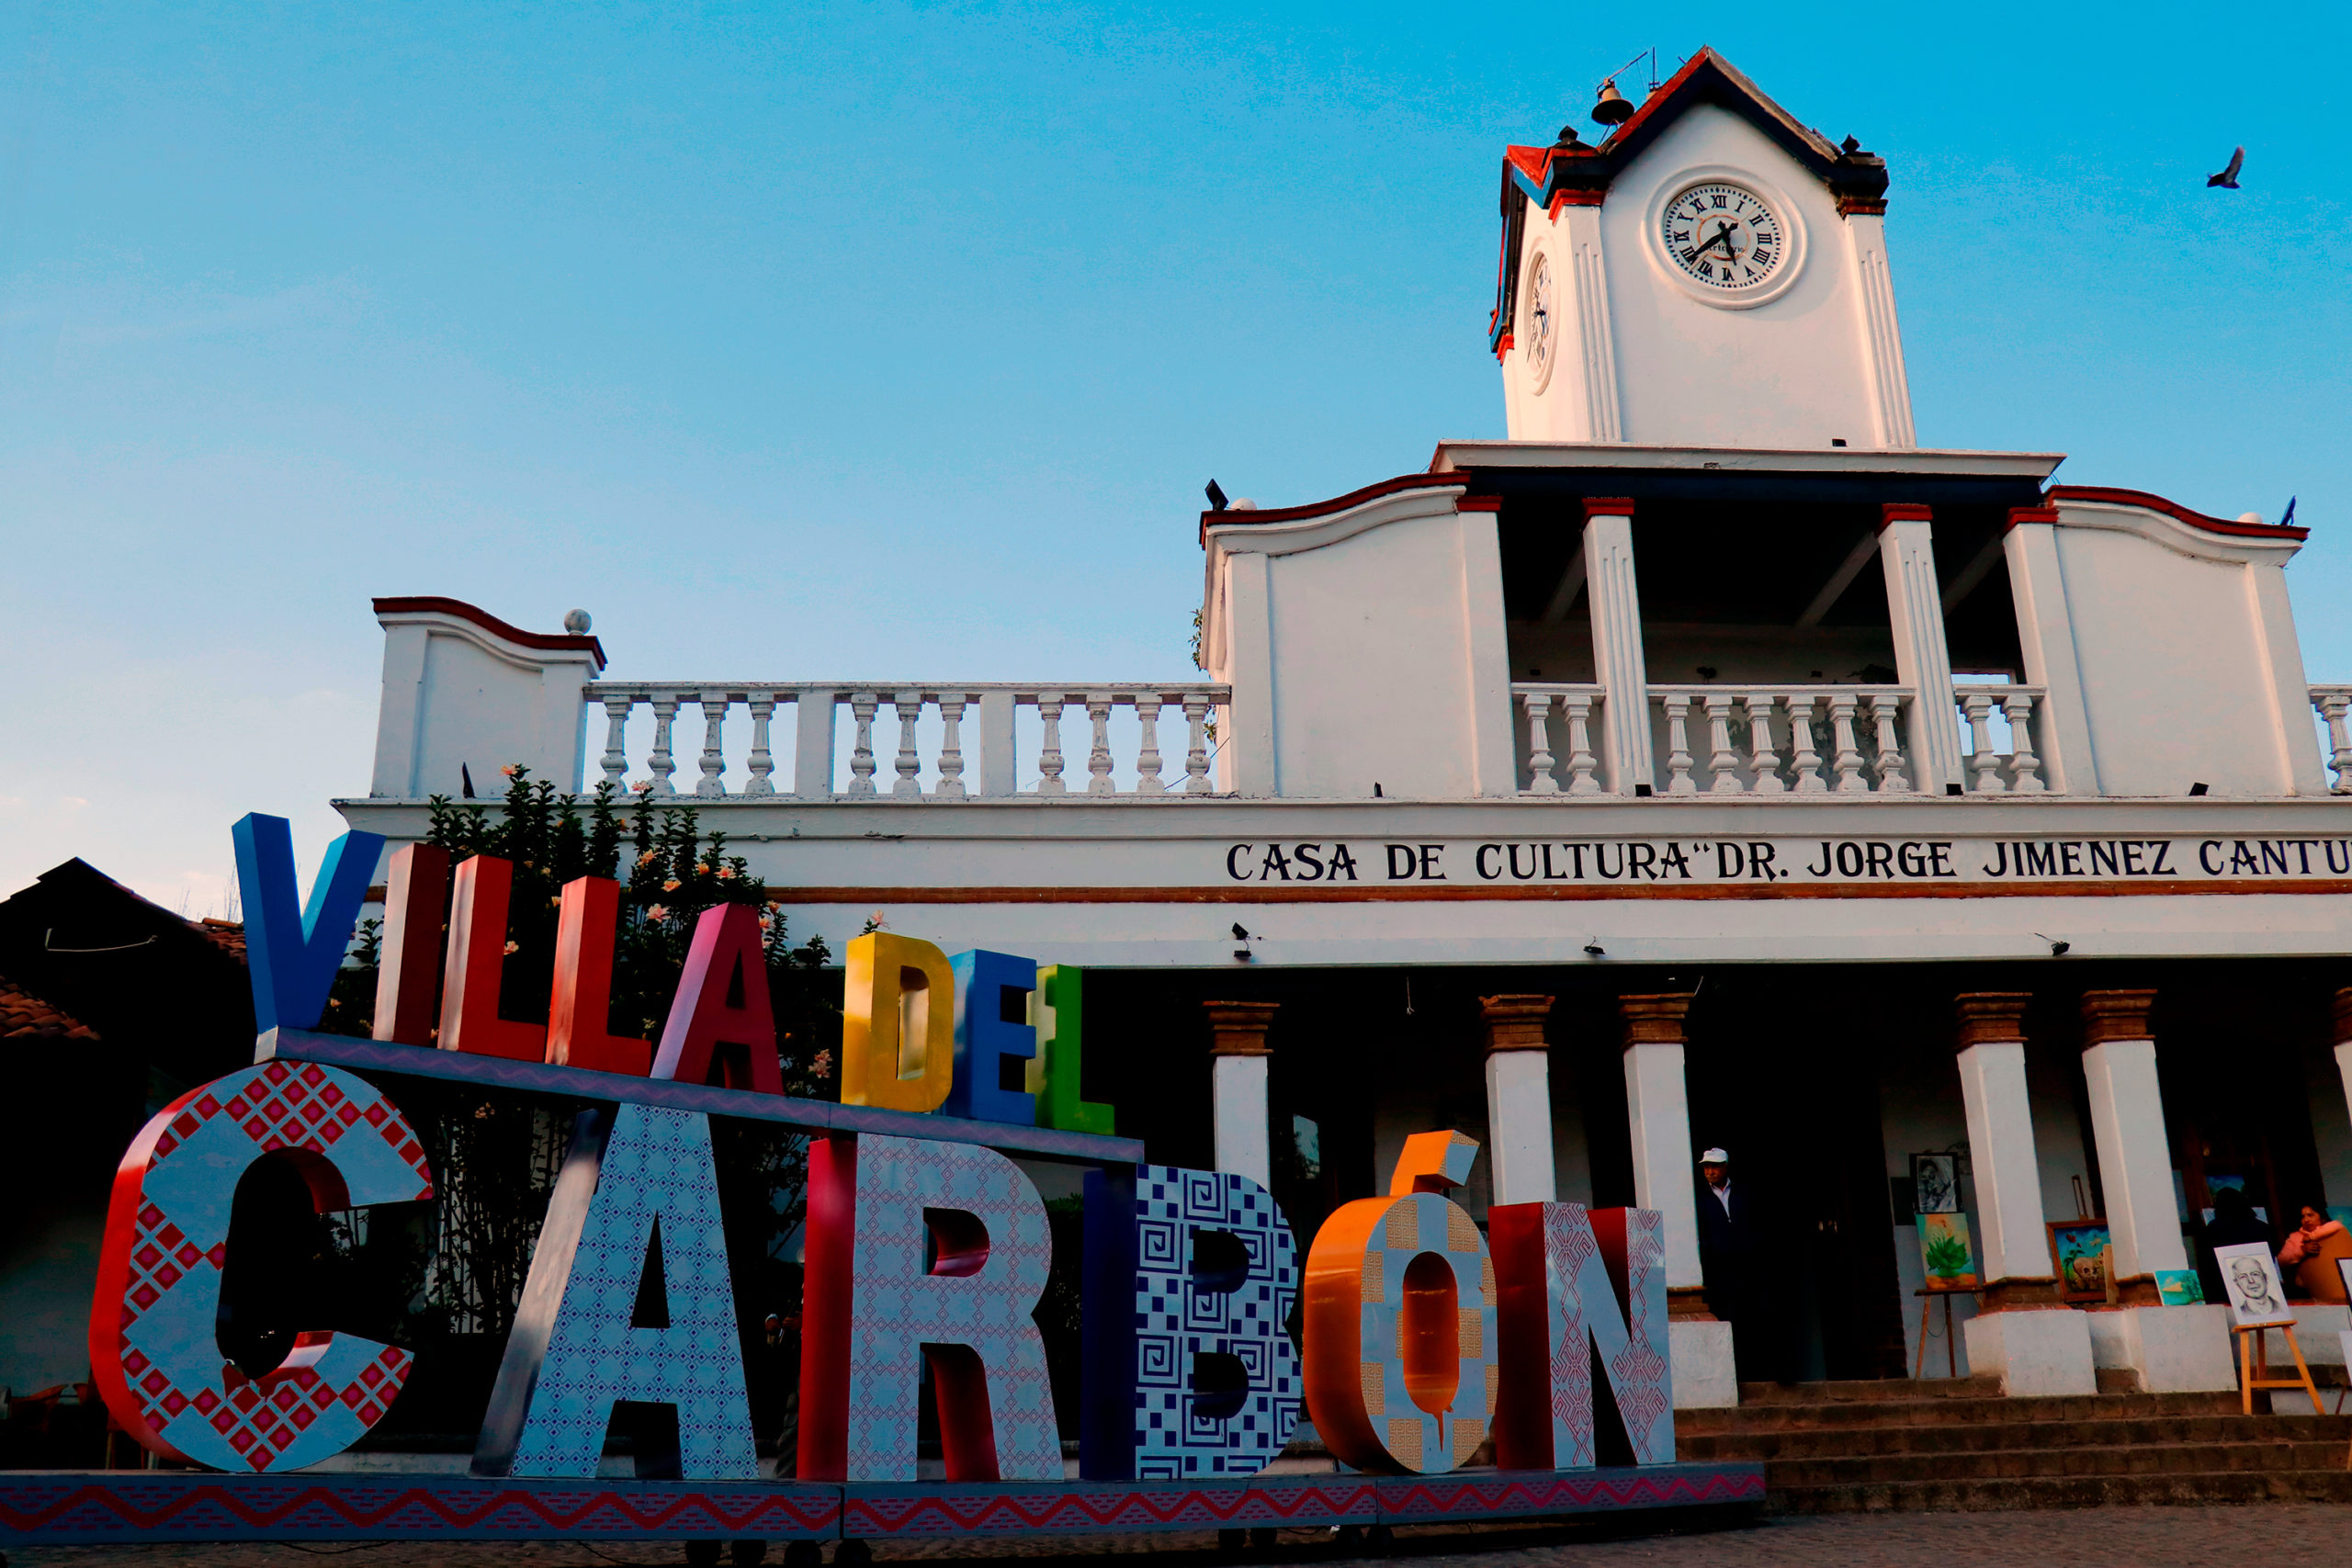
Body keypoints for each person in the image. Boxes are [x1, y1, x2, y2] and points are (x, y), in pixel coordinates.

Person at [2278, 1203, 2352, 1303]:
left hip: (2342, 1286)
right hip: (2311, 1291)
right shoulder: (2295, 1237)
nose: (2307, 1219)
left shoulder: (2332, 1229)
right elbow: (2281, 1260)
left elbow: (2336, 1224)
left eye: (2310, 1215)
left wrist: (2310, 1237)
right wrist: (2302, 1251)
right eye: (2303, 1217)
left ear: (2322, 1217)